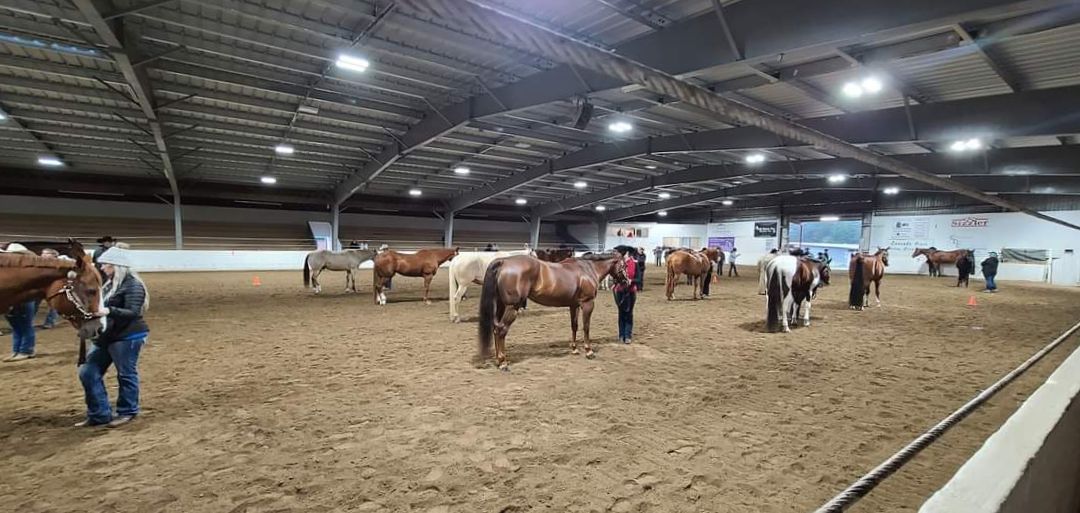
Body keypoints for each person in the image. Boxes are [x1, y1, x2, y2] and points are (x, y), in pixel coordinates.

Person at [77, 246, 150, 428]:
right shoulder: (109, 284)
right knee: (88, 372)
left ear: (117, 266)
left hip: (128, 336)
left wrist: (108, 311)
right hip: (107, 336)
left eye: (106, 265)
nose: (102, 268)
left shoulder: (134, 285)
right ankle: (99, 413)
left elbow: (133, 312)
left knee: (126, 374)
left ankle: (127, 411)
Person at [612, 248, 638, 344]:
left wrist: (632, 281)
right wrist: (615, 283)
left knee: (629, 313)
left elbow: (639, 278)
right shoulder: (619, 265)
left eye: (623, 254)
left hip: (631, 291)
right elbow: (615, 277)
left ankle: (627, 335)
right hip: (620, 291)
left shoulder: (635, 263)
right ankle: (621, 335)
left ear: (627, 253)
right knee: (621, 313)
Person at [39, 248, 61, 328]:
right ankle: (28, 323)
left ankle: (50, 322)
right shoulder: (39, 264)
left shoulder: (59, 265)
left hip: (52, 287)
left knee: (53, 306)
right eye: (42, 253)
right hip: (39, 287)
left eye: (46, 253)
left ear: (54, 255)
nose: (42, 255)